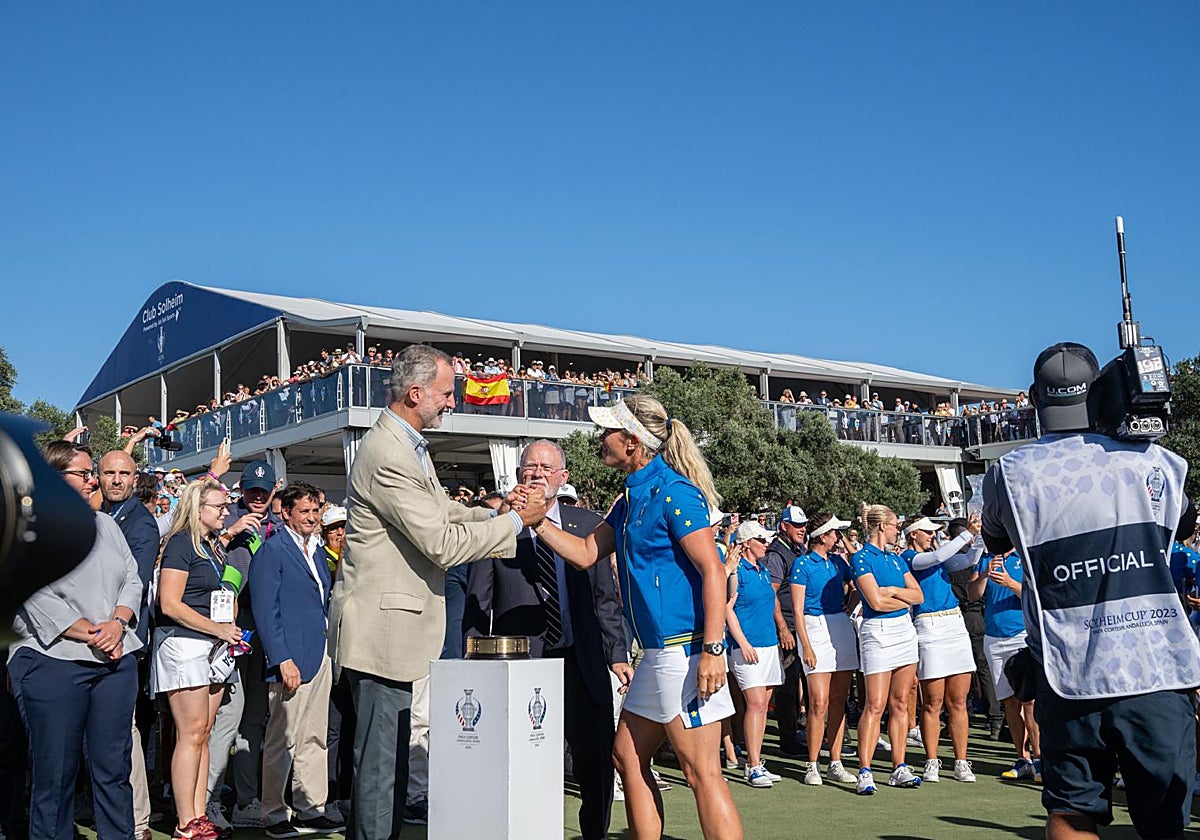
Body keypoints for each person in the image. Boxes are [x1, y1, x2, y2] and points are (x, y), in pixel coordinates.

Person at [981, 341, 1200, 840]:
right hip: (1156, 671)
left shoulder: (1009, 474)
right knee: (1164, 822)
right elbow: (1182, 523)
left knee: (1072, 812)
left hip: (1068, 673)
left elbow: (996, 536)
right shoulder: (1160, 461)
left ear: (1036, 399)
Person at [328, 344, 546, 840]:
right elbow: (442, 543)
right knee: (380, 777)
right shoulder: (389, 453)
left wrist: (494, 513)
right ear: (415, 392)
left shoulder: (404, 445)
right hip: (380, 639)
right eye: (447, 393)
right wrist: (515, 520)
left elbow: (443, 513)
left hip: (393, 636)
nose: (453, 402)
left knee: (390, 774)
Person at [530, 395, 743, 840]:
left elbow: (712, 570)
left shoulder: (674, 491)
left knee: (702, 773)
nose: (599, 438)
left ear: (631, 441)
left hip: (685, 651)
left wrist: (712, 650)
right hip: (659, 656)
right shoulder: (630, 497)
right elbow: (588, 553)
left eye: (607, 431)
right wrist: (537, 522)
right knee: (626, 756)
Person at [464, 440, 630, 839]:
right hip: (522, 663)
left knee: (594, 758)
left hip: (581, 658)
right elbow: (479, 595)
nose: (536, 472)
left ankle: (595, 832)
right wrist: (470, 652)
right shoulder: (499, 526)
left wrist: (617, 652)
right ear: (518, 474)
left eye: (545, 467)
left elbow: (604, 597)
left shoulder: (587, 524)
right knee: (527, 758)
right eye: (529, 466)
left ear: (562, 477)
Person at [9, 441, 143, 840]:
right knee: (55, 776)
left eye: (92, 473)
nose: (92, 482)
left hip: (115, 662)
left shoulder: (107, 525)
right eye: (83, 474)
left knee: (113, 771)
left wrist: (118, 623)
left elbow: (133, 578)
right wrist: (95, 633)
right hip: (52, 662)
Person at [249, 482, 343, 838]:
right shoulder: (272, 551)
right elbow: (265, 609)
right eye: (303, 511)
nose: (312, 518)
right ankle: (273, 813)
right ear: (285, 513)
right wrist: (282, 658)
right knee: (282, 738)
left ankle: (311, 807)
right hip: (291, 657)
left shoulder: (318, 550)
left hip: (319, 653)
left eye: (315, 511)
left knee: (314, 737)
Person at [152, 478, 243, 840]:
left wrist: (225, 630)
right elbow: (169, 603)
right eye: (219, 507)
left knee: (202, 734)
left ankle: (199, 816)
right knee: (190, 734)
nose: (226, 512)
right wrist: (218, 630)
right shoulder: (179, 545)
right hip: (185, 647)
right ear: (198, 509)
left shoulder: (211, 547)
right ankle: (186, 823)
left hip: (212, 648)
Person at [97, 449, 162, 840]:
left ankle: (137, 820)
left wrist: (111, 624)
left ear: (135, 479)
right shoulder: (101, 514)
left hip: (122, 637)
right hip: (92, 635)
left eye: (124, 473)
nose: (117, 480)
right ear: (99, 477)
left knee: (126, 730)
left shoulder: (141, 523)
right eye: (110, 473)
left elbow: (131, 584)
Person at [901, 515, 983, 783]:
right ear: (913, 534)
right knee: (933, 702)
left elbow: (968, 559)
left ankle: (961, 761)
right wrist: (966, 534)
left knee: (958, 701)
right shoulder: (909, 558)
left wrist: (981, 536)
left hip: (954, 625)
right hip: (928, 627)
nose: (933, 536)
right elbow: (936, 558)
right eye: (927, 532)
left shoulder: (938, 554)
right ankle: (932, 761)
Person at [852, 504, 925, 794]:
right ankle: (865, 770)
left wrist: (894, 592)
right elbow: (875, 603)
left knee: (900, 703)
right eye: (896, 525)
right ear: (883, 526)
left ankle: (899, 766)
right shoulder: (860, 558)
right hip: (877, 633)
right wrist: (898, 598)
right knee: (875, 704)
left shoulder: (896, 560)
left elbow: (917, 595)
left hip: (904, 631)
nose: (898, 530)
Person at [788, 512, 860, 786]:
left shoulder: (839, 562)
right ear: (823, 536)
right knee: (818, 702)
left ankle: (836, 761)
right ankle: (812, 764)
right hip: (813, 627)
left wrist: (848, 608)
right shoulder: (802, 564)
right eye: (834, 534)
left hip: (838, 625)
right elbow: (797, 609)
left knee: (839, 701)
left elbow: (857, 583)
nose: (838, 538)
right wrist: (805, 645)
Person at [724, 521, 786, 789]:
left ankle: (756, 762)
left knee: (763, 707)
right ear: (747, 542)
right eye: (761, 540)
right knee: (756, 704)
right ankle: (751, 765)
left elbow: (771, 603)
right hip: (745, 647)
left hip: (769, 645)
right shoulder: (736, 571)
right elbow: (726, 609)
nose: (767, 544)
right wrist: (742, 642)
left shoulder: (762, 571)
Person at [761, 505, 806, 755]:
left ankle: (798, 732)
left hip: (799, 623)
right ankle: (787, 738)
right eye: (797, 525)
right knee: (787, 685)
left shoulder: (796, 549)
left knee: (800, 681)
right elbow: (772, 593)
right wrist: (782, 628)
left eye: (803, 525)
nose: (802, 529)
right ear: (784, 526)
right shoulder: (777, 554)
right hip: (787, 624)